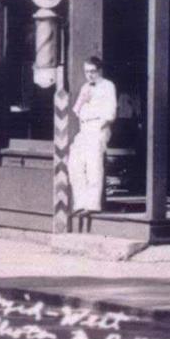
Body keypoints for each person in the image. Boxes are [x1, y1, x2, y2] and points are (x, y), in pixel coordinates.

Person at [69, 56, 117, 218]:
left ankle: (92, 204)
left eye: (92, 71)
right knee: (74, 163)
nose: (89, 75)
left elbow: (110, 112)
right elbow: (76, 110)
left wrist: (100, 125)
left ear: (99, 70)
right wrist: (84, 100)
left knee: (93, 165)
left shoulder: (108, 86)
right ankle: (80, 202)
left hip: (98, 127)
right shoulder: (85, 87)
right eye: (87, 72)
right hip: (84, 128)